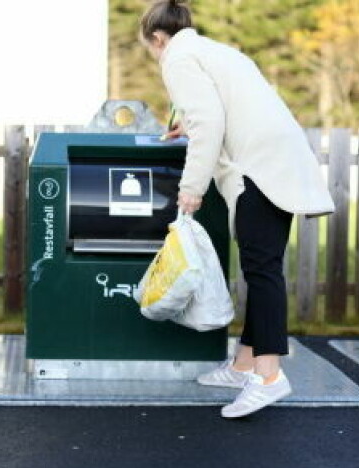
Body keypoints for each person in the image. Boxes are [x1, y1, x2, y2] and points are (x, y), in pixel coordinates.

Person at [140, 0, 335, 418]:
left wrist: (192, 188)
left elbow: (210, 121)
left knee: (262, 271)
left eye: (152, 48)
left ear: (157, 38)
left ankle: (268, 377)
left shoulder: (178, 58)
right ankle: (245, 363)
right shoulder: (218, 51)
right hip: (275, 163)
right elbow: (224, 111)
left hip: (257, 171)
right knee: (261, 267)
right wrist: (188, 124)